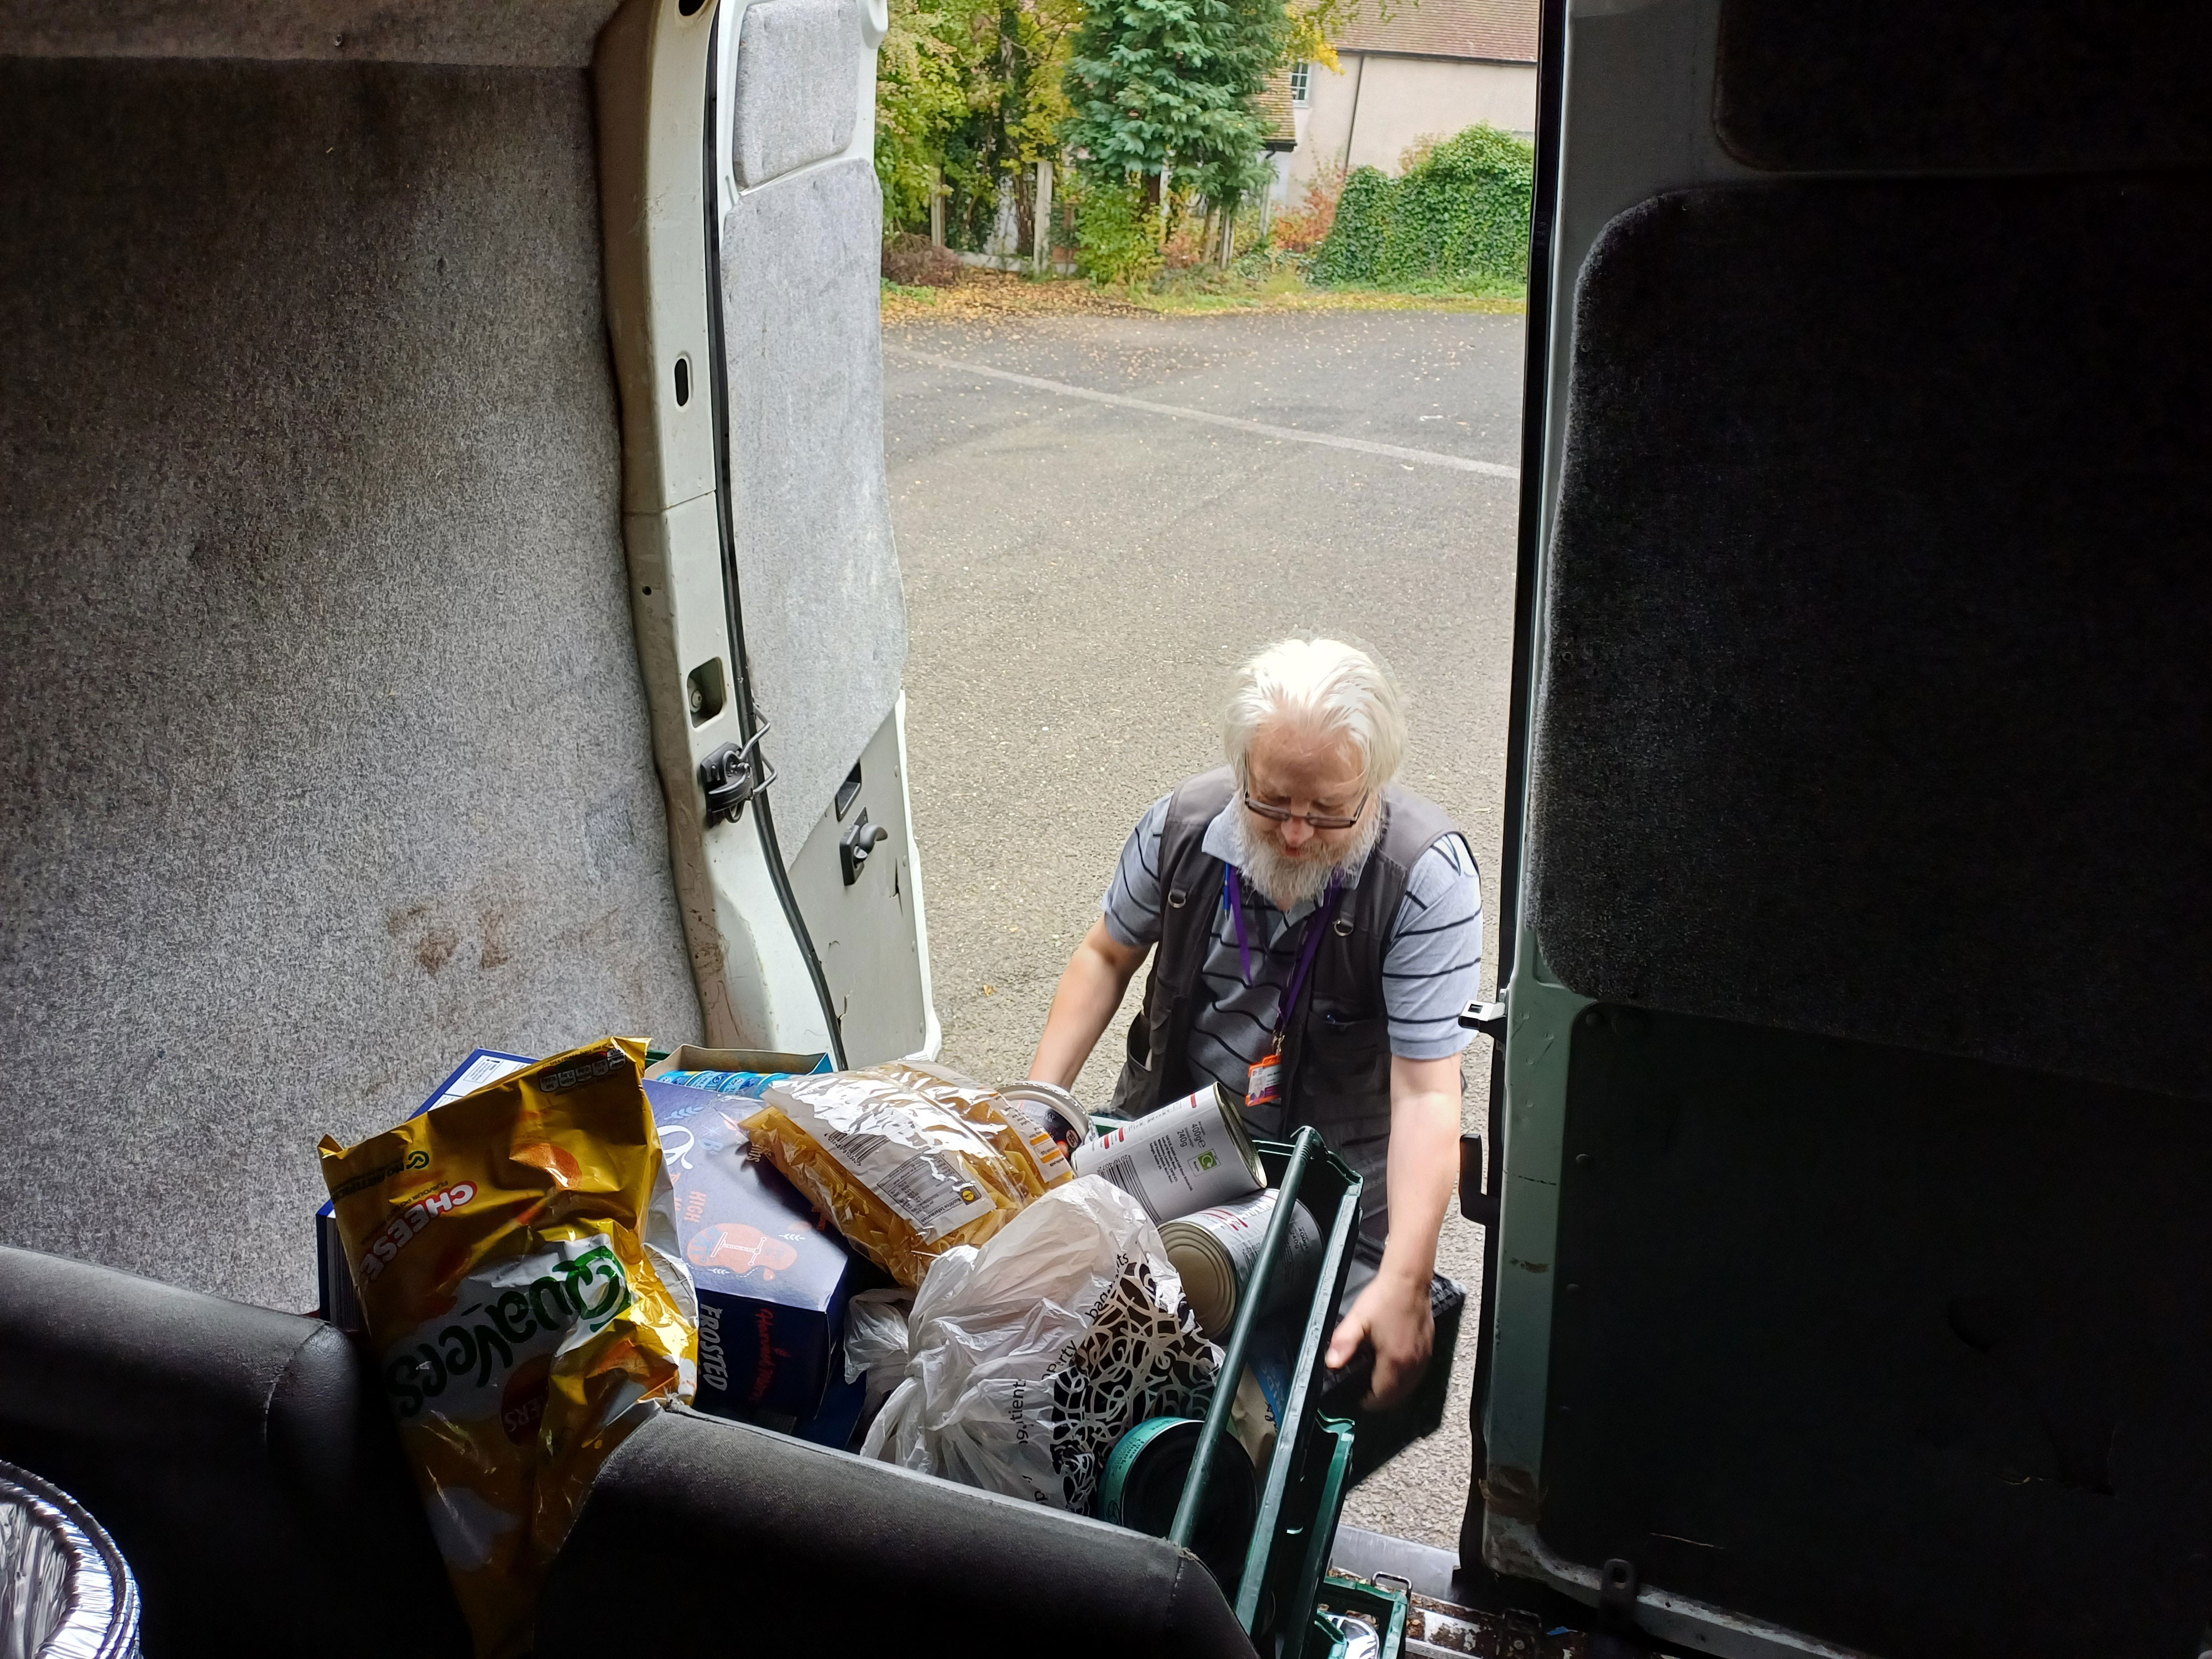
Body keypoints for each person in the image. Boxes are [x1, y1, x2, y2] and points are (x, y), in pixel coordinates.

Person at [1029, 638, 1481, 1408]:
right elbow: (1106, 955)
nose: (1297, 833)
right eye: (1271, 801)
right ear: (1243, 771)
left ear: (1374, 785)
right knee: (1060, 1351)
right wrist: (1039, 1102)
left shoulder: (1425, 881)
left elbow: (1427, 1096)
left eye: (1330, 811)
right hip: (1170, 1148)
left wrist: (1407, 1276)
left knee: (1251, 1420)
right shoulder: (1181, 826)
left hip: (1326, 1185)